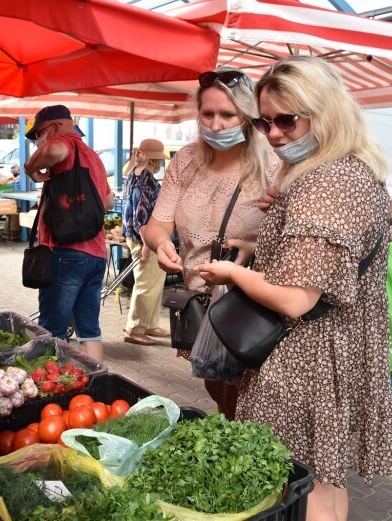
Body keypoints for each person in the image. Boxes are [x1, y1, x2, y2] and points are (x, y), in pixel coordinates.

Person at [198, 56, 392, 521]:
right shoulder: (345, 170)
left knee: (301, 482)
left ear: (326, 113)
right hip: (331, 349)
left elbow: (294, 297)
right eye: (265, 121)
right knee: (323, 478)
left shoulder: (327, 182)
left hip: (306, 356)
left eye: (287, 118)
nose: (274, 132)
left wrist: (233, 274)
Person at [143, 67, 275, 420]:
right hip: (199, 302)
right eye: (208, 113)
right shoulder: (185, 160)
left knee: (246, 391)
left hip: (250, 305)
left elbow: (293, 238)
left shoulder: (274, 166)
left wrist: (252, 250)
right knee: (215, 383)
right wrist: (160, 245)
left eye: (227, 114)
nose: (215, 125)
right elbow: (156, 223)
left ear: (248, 117)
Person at [23, 105, 114, 363]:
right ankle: (93, 383)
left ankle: (56, 389)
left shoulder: (65, 143)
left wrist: (31, 168)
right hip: (96, 255)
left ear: (53, 127)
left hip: (67, 255)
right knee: (89, 331)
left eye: (40, 134)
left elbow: (53, 149)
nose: (40, 141)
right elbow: (108, 202)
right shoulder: (93, 157)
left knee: (53, 329)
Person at [122, 139, 170, 346]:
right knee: (146, 285)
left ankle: (150, 323)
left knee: (154, 283)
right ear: (154, 159)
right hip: (145, 241)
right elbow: (140, 215)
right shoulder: (146, 180)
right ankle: (134, 329)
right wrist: (147, 245)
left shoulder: (133, 174)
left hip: (143, 239)